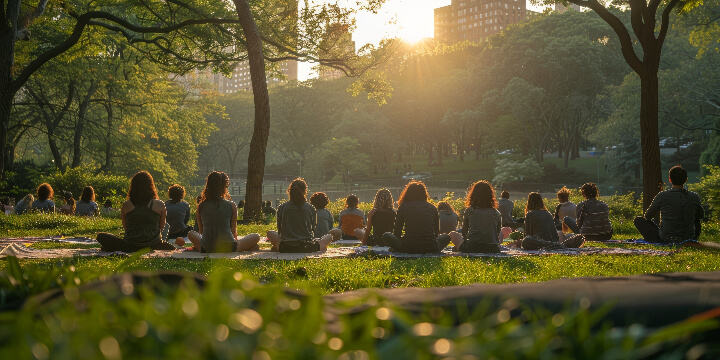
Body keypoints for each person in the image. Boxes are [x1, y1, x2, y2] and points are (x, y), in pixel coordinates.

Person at [96, 171, 175, 252]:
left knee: (100, 236)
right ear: (151, 186)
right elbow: (162, 227)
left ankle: (117, 247)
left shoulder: (126, 205)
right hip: (154, 244)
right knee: (172, 248)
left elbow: (126, 227)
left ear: (133, 186)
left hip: (130, 244)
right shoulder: (160, 204)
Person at [187, 172, 260, 253]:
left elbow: (201, 232)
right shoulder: (231, 205)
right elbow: (233, 231)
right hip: (228, 247)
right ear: (223, 186)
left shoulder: (201, 206)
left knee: (190, 233)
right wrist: (237, 244)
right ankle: (244, 248)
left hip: (207, 248)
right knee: (256, 236)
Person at [634, 165, 704, 243]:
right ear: (686, 180)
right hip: (689, 237)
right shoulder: (694, 196)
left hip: (666, 238)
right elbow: (700, 216)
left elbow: (647, 216)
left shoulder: (662, 196)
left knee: (638, 220)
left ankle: (657, 239)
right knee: (696, 220)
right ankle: (691, 239)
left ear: (670, 180)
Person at [382, 181, 452, 253]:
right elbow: (436, 233)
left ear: (407, 194)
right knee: (447, 237)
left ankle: (397, 248)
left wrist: (399, 242)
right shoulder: (432, 208)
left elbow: (397, 232)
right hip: (431, 248)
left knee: (386, 235)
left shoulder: (403, 207)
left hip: (408, 248)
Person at [266, 178, 333, 252]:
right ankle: (319, 247)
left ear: (289, 191)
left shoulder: (282, 207)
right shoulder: (310, 208)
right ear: (305, 191)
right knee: (329, 236)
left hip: (286, 247)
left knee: (270, 233)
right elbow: (313, 228)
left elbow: (279, 230)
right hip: (307, 247)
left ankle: (278, 247)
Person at [450, 181, 502, 253]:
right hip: (493, 248)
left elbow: (464, 232)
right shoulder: (497, 213)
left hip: (473, 247)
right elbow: (498, 232)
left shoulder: (470, 211)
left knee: (453, 234)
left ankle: (458, 248)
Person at [520, 192, 585, 250]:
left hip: (540, 243)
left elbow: (527, 235)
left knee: (526, 241)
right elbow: (555, 235)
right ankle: (560, 245)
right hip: (553, 241)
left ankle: (557, 246)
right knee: (579, 237)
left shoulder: (530, 214)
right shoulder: (548, 213)